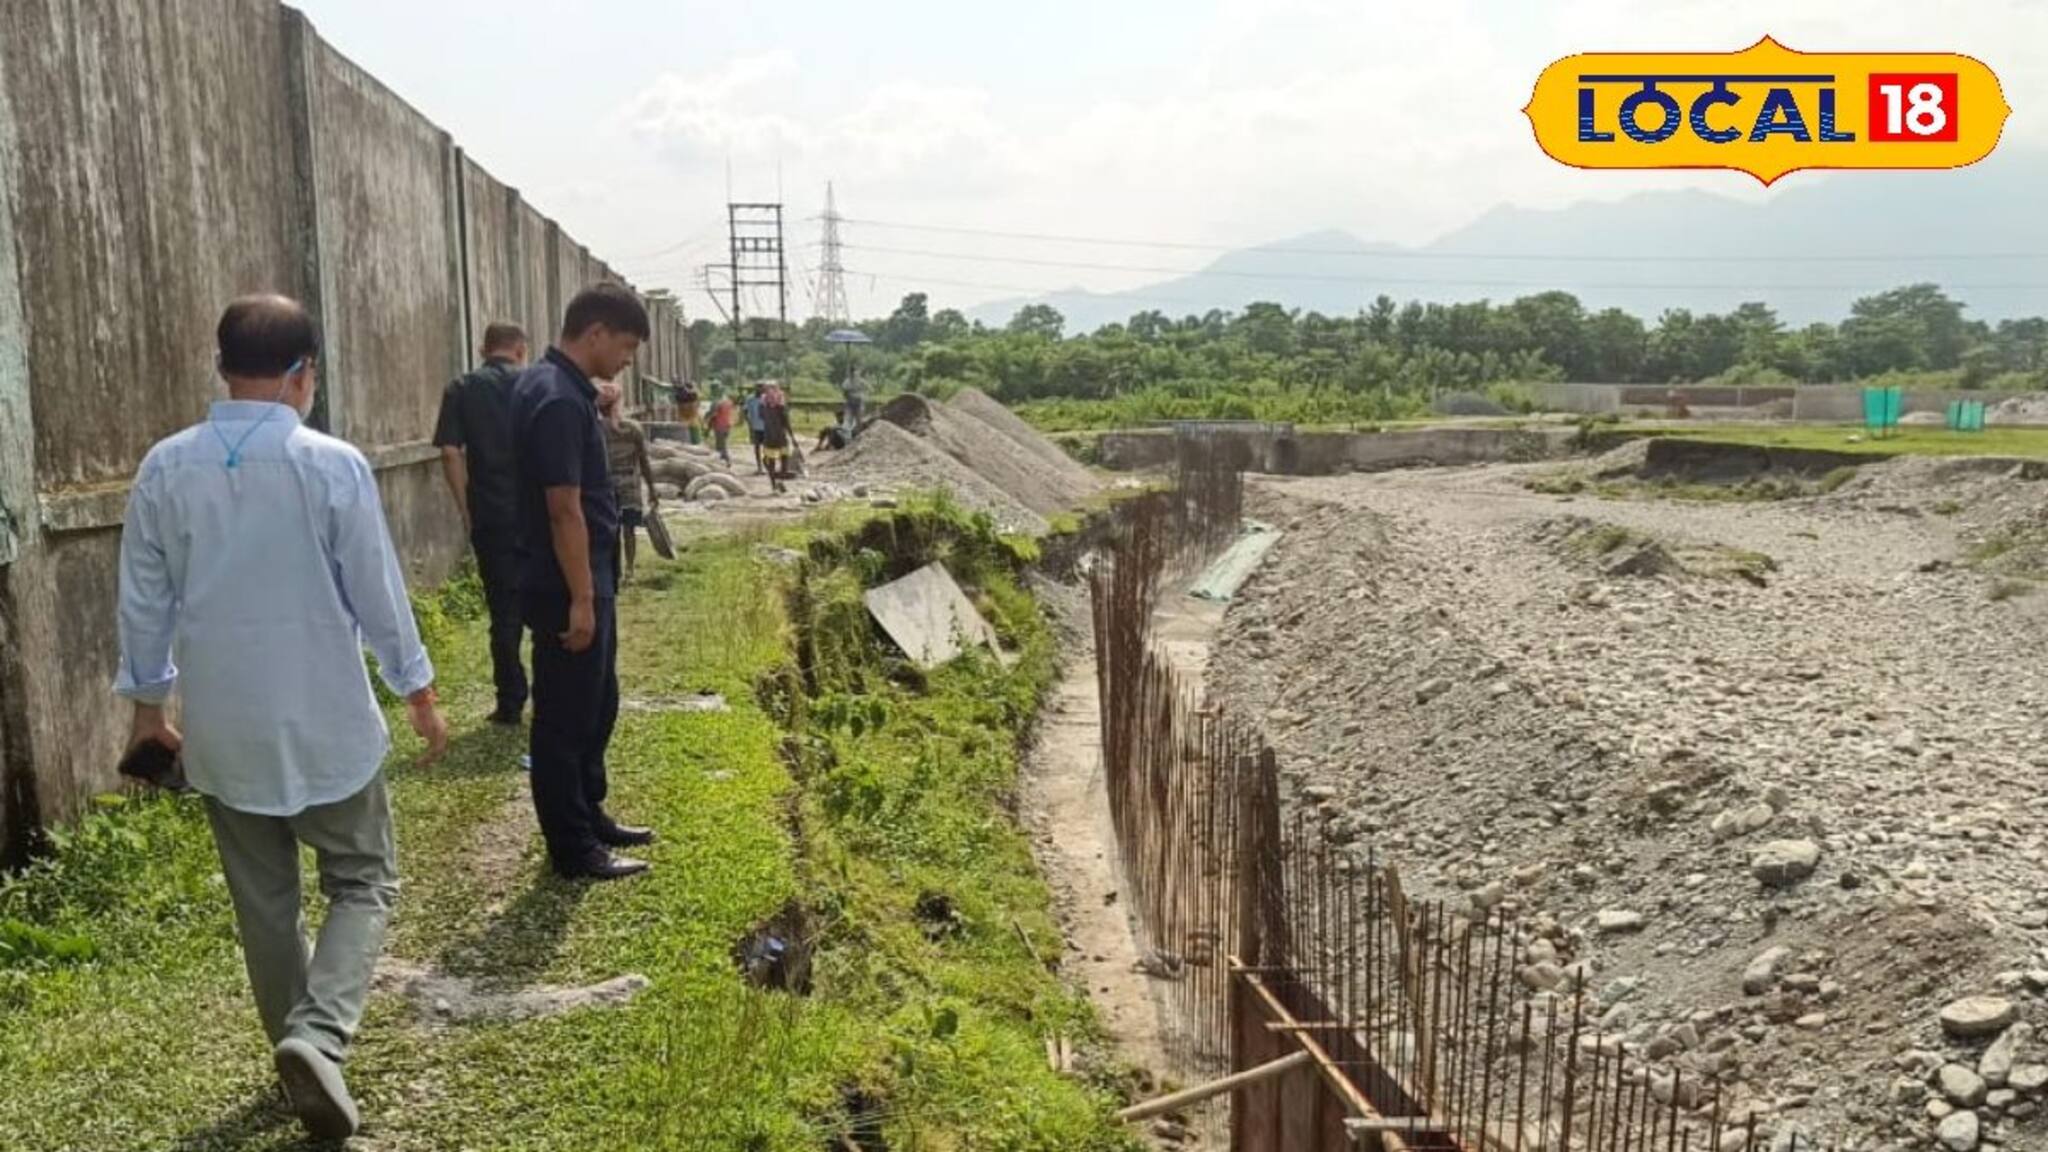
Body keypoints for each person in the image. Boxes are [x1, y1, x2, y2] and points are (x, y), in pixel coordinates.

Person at [114, 295, 450, 1140]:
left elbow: (143, 605)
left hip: (225, 728)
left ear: (222, 367)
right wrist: (417, 689)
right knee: (364, 880)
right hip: (327, 720)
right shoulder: (330, 464)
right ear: (304, 374)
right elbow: (376, 591)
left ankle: (295, 1055)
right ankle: (318, 1037)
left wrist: (148, 712)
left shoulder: (164, 467)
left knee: (266, 907)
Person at [511, 283, 655, 882]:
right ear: (594, 333)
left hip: (585, 571)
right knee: (565, 717)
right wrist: (581, 598)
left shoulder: (560, 389)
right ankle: (573, 848)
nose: (627, 360)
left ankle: (589, 811)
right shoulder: (558, 401)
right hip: (565, 578)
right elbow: (563, 508)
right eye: (624, 346)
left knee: (598, 699)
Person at [433, 322, 531, 725]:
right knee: (548, 609)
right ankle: (559, 698)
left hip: (491, 515)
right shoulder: (534, 385)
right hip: (538, 516)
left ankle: (510, 702)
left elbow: (451, 454)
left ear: (481, 348)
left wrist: (465, 508)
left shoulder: (461, 389)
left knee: (503, 613)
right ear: (521, 350)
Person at [599, 384, 658, 581]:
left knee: (610, 531)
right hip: (630, 486)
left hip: (606, 487)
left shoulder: (596, 429)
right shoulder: (633, 428)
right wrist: (651, 488)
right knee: (629, 530)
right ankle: (630, 570)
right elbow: (644, 461)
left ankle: (611, 571)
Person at [760, 384, 795, 493]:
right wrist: (793, 438)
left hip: (769, 438)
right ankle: (779, 480)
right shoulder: (781, 408)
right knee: (784, 460)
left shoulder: (763, 408)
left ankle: (774, 483)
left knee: (770, 462)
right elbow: (787, 424)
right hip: (780, 438)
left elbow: (762, 419)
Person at [707, 388, 736, 467]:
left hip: (719, 426)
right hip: (728, 425)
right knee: (723, 444)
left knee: (720, 446)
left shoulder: (716, 403)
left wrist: (708, 427)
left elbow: (713, 415)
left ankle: (727, 461)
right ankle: (722, 462)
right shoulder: (728, 402)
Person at [742, 381, 767, 473]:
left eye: (762, 387)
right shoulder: (750, 399)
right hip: (755, 427)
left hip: (766, 427)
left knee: (766, 447)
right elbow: (745, 410)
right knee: (757, 447)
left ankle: (765, 464)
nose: (760, 389)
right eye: (758, 387)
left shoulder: (767, 399)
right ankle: (759, 467)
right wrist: (749, 422)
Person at [674, 379, 702, 445]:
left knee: (685, 433)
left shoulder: (680, 395)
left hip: (685, 416)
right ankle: (695, 444)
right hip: (691, 415)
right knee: (694, 432)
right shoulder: (693, 394)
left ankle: (691, 443)